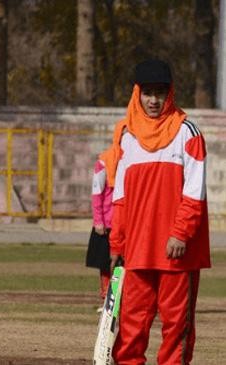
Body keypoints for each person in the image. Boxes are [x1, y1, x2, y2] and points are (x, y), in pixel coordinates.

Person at [108, 59, 211, 364]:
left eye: (160, 93)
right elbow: (121, 197)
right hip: (138, 249)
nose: (154, 100)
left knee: (176, 326)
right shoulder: (127, 136)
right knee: (130, 326)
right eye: (148, 93)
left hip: (177, 252)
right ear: (136, 94)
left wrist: (180, 233)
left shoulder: (188, 133)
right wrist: (117, 242)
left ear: (171, 94)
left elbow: (195, 192)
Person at [85, 151, 113, 310]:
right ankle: (107, 300)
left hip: (125, 222)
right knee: (105, 264)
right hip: (108, 223)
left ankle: (122, 300)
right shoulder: (104, 162)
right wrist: (98, 221)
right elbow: (97, 193)